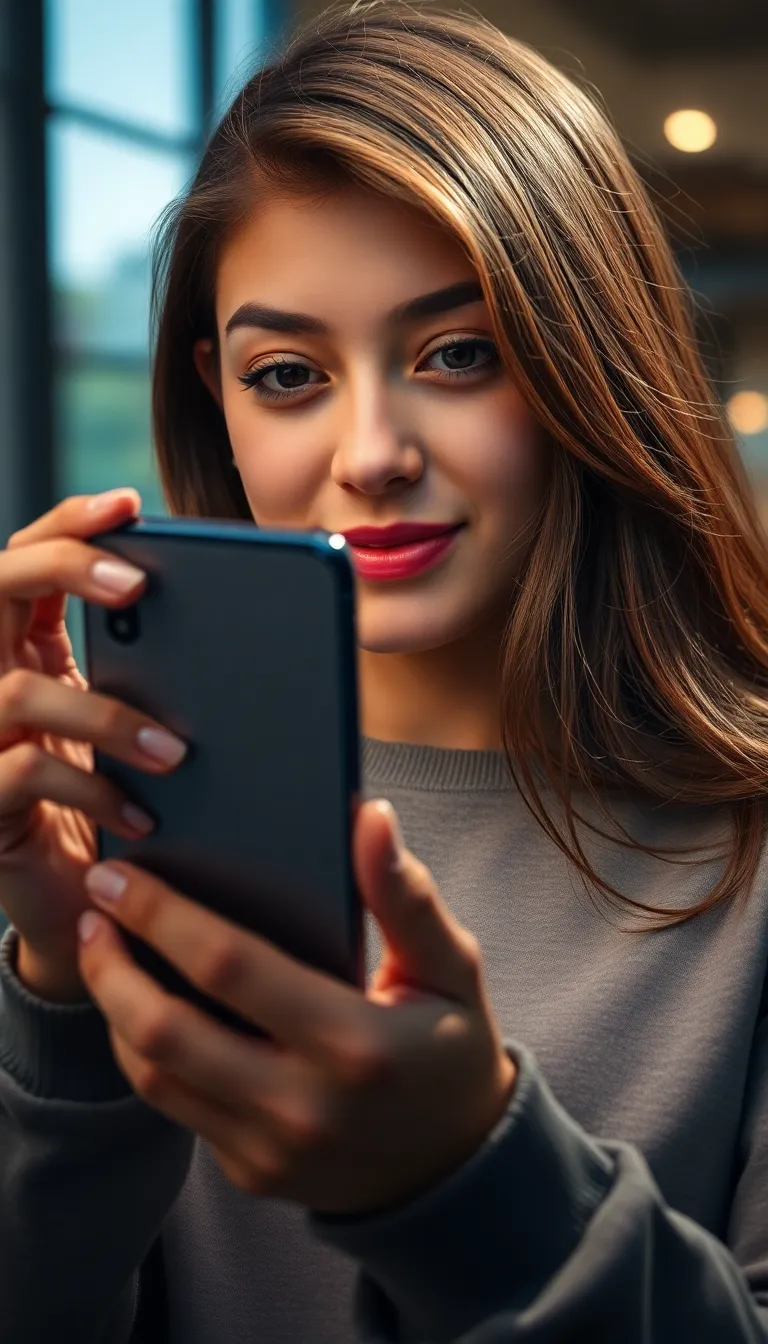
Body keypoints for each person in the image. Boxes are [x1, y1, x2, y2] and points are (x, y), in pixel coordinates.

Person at [1, 2, 767, 1339]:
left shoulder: (748, 856)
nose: (371, 453)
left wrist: (471, 1181)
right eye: (288, 373)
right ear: (217, 397)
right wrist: (64, 1010)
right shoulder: (100, 823)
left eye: (457, 355)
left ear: (592, 358)